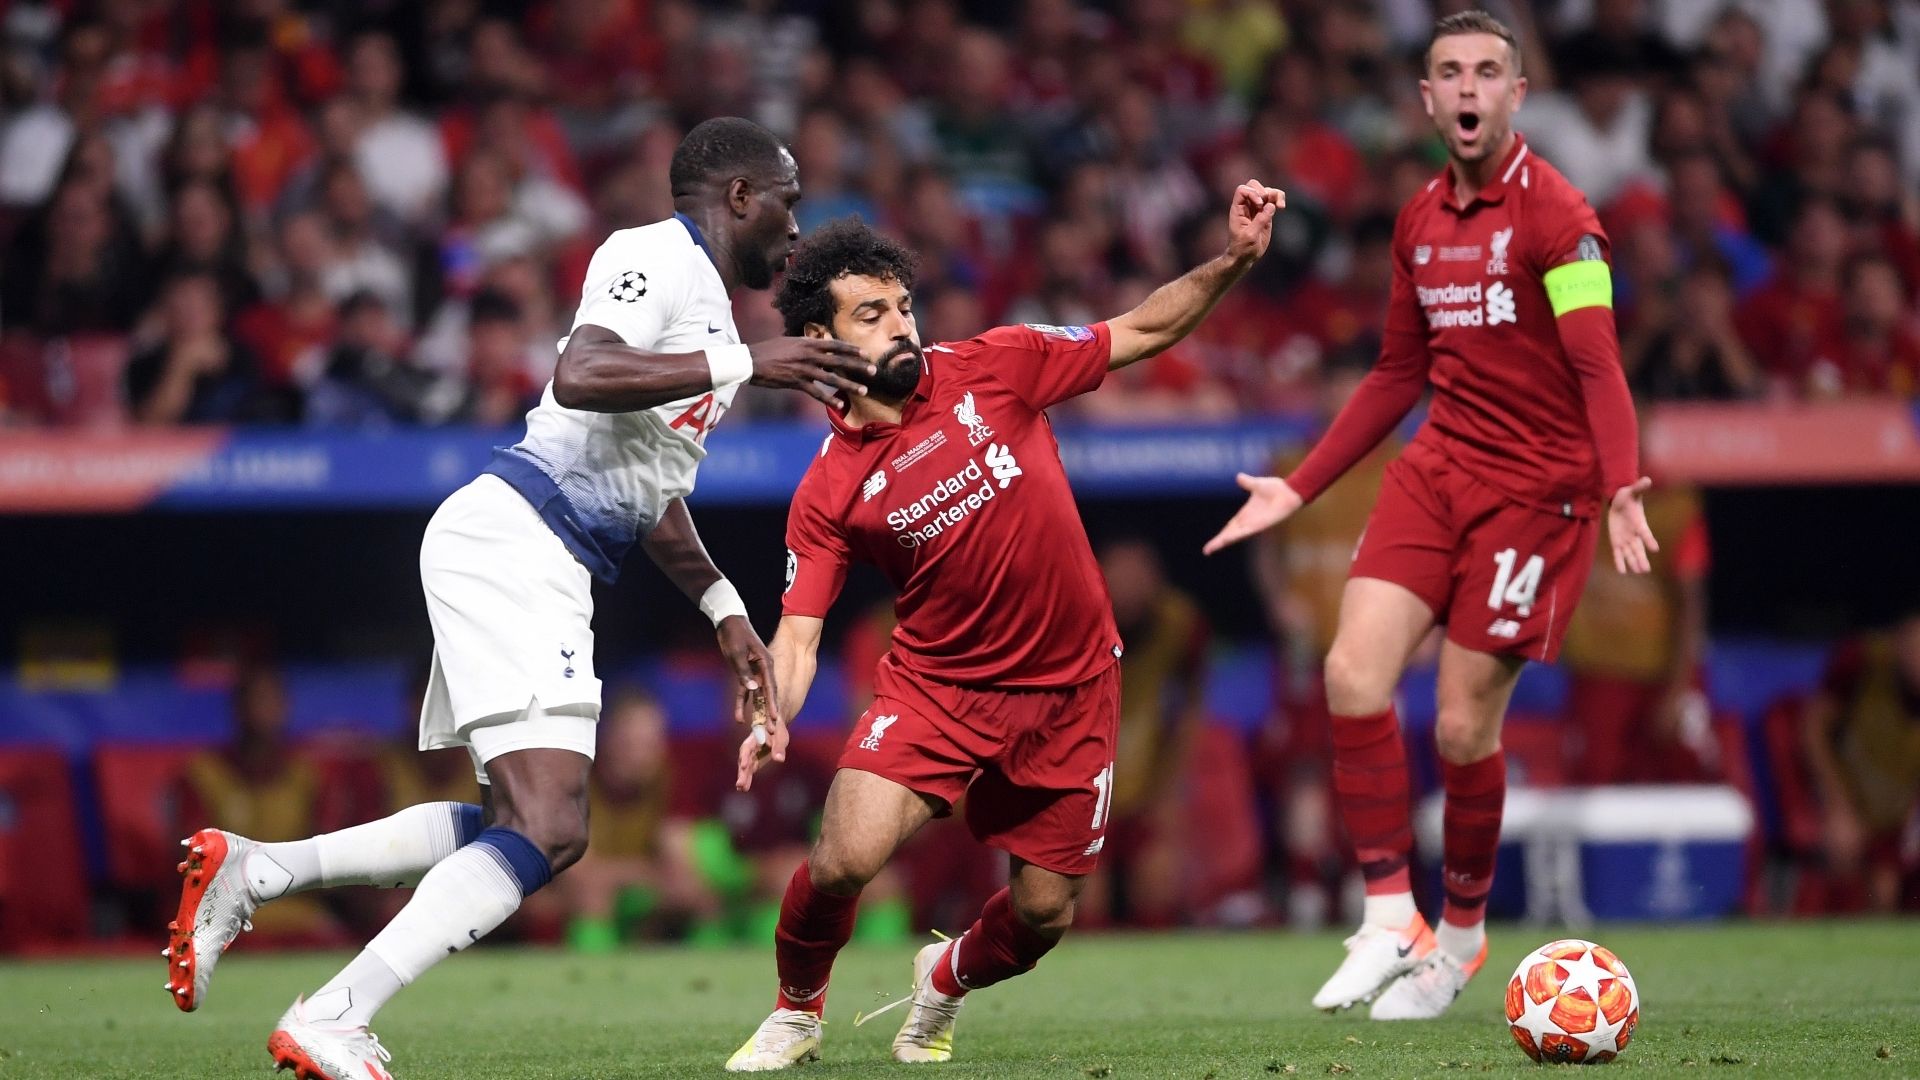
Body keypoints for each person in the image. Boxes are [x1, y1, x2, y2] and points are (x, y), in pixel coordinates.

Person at [163, 117, 876, 1080]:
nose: (798, 230)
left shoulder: (708, 308)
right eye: (789, 202)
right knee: (551, 827)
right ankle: (335, 1011)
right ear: (741, 195)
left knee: (521, 821)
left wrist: (724, 611)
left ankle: (261, 870)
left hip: (541, 553)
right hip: (517, 538)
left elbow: (648, 486)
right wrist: (752, 363)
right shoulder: (652, 254)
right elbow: (580, 375)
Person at [725, 181, 1281, 1071]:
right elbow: (798, 634)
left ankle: (942, 977)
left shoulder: (998, 362)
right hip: (940, 690)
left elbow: (1137, 330)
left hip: (1072, 690)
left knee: (1043, 916)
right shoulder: (828, 489)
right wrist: (772, 714)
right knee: (840, 860)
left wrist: (1234, 260)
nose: (901, 326)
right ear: (822, 341)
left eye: (905, 306)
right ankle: (796, 1012)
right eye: (872, 315)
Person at [1205, 11, 1656, 1021]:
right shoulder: (1416, 222)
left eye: (1487, 72)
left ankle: (1458, 939)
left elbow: (1597, 364)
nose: (1466, 88)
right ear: (1425, 97)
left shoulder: (1564, 218)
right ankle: (1385, 920)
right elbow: (1397, 374)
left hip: (1538, 493)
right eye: (1448, 72)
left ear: (1515, 94)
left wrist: (1621, 482)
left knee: (1459, 727)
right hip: (1438, 468)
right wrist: (1301, 484)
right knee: (1350, 674)